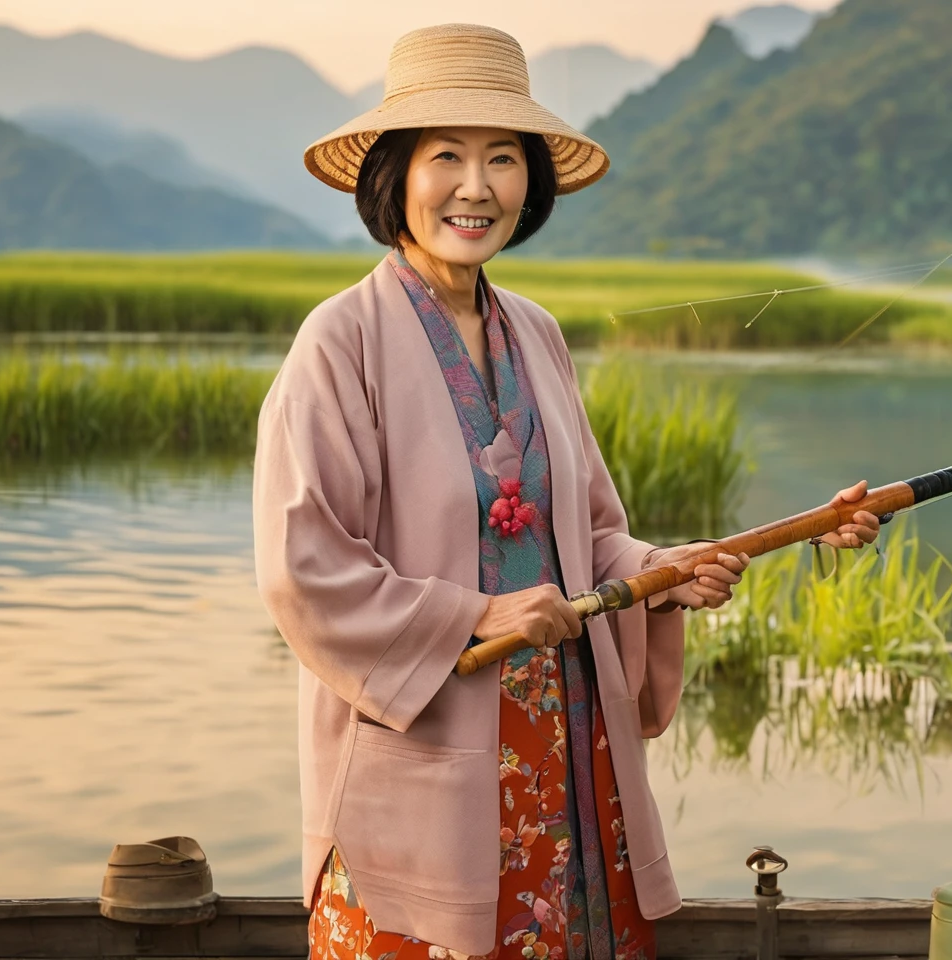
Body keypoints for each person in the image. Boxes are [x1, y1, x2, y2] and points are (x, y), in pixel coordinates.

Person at [253, 24, 880, 960]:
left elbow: (593, 540)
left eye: (503, 159)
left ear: (530, 184)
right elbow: (305, 570)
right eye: (447, 158)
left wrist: (668, 573)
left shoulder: (535, 334)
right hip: (427, 740)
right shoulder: (338, 342)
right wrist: (479, 613)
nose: (477, 187)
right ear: (394, 175)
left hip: (566, 740)